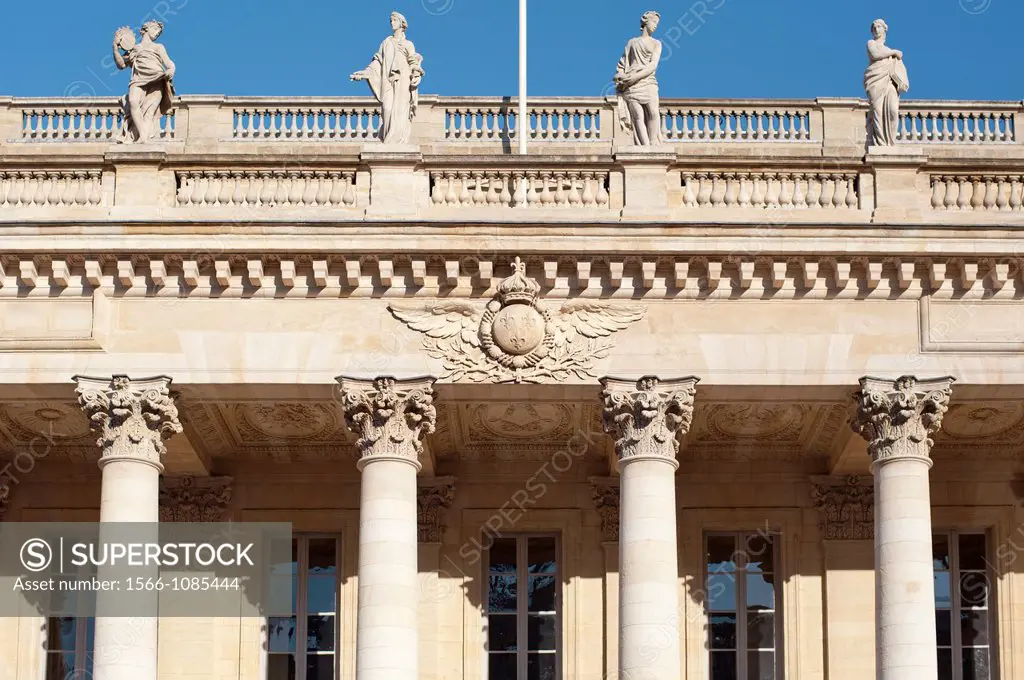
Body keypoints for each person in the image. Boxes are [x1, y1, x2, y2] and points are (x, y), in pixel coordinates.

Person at [350, 12, 425, 146]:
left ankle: (397, 141)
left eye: (394, 20)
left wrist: (416, 73)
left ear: (402, 23)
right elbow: (378, 61)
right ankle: (389, 138)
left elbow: (413, 61)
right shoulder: (386, 42)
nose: (391, 23)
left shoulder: (408, 44)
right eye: (390, 20)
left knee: (401, 110)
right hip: (388, 81)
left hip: (403, 81)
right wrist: (365, 73)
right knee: (388, 108)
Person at [113, 21, 176, 144]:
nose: (157, 32)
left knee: (149, 111)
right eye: (155, 29)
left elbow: (169, 63)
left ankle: (143, 138)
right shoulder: (134, 49)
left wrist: (171, 70)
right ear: (145, 30)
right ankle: (142, 134)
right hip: (137, 80)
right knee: (133, 102)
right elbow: (121, 65)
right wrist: (115, 48)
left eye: (159, 32)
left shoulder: (158, 47)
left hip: (157, 78)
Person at [614, 11, 663, 146]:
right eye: (653, 22)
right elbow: (623, 64)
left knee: (654, 113)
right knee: (638, 117)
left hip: (647, 81)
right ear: (645, 22)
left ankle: (653, 142)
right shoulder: (632, 42)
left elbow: (653, 65)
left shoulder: (656, 44)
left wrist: (634, 77)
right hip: (631, 85)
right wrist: (620, 75)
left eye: (657, 24)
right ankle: (645, 145)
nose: (655, 26)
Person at [863, 19, 909, 147]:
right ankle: (881, 142)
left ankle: (890, 142)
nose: (877, 29)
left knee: (893, 111)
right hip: (875, 81)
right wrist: (894, 52)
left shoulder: (889, 51)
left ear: (884, 30)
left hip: (889, 82)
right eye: (874, 28)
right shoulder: (871, 43)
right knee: (877, 111)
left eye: (879, 27)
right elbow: (876, 54)